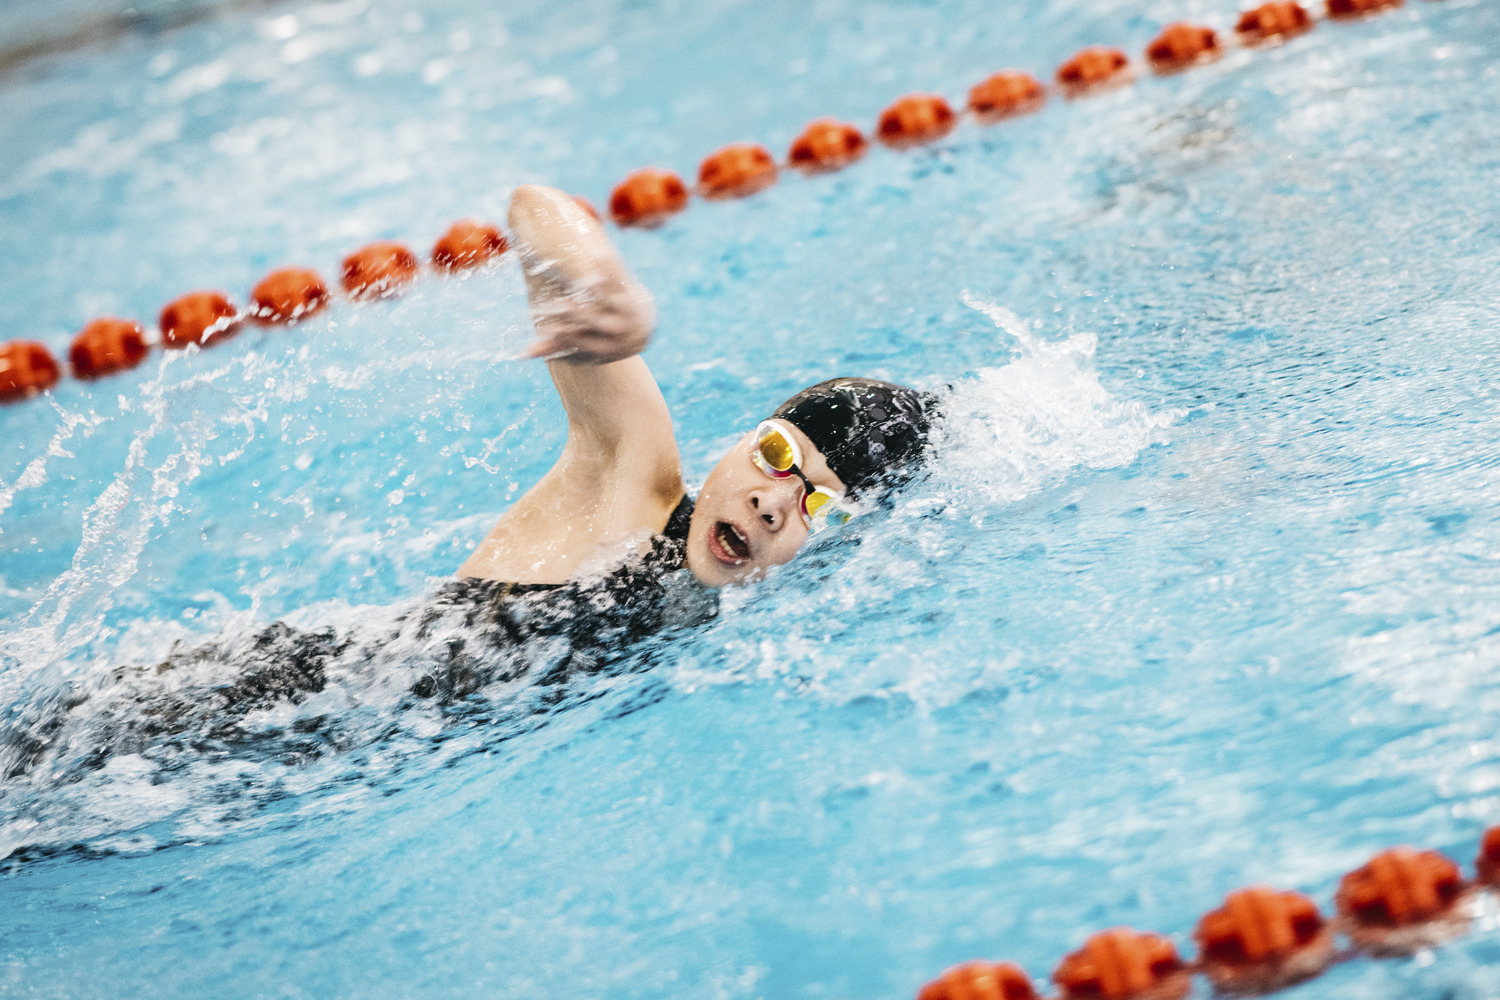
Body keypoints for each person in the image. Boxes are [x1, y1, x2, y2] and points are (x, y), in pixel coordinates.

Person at [457, 184, 934, 593]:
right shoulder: (632, 483)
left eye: (820, 505)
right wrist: (609, 288)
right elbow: (533, 206)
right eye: (774, 452)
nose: (771, 505)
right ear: (741, 441)